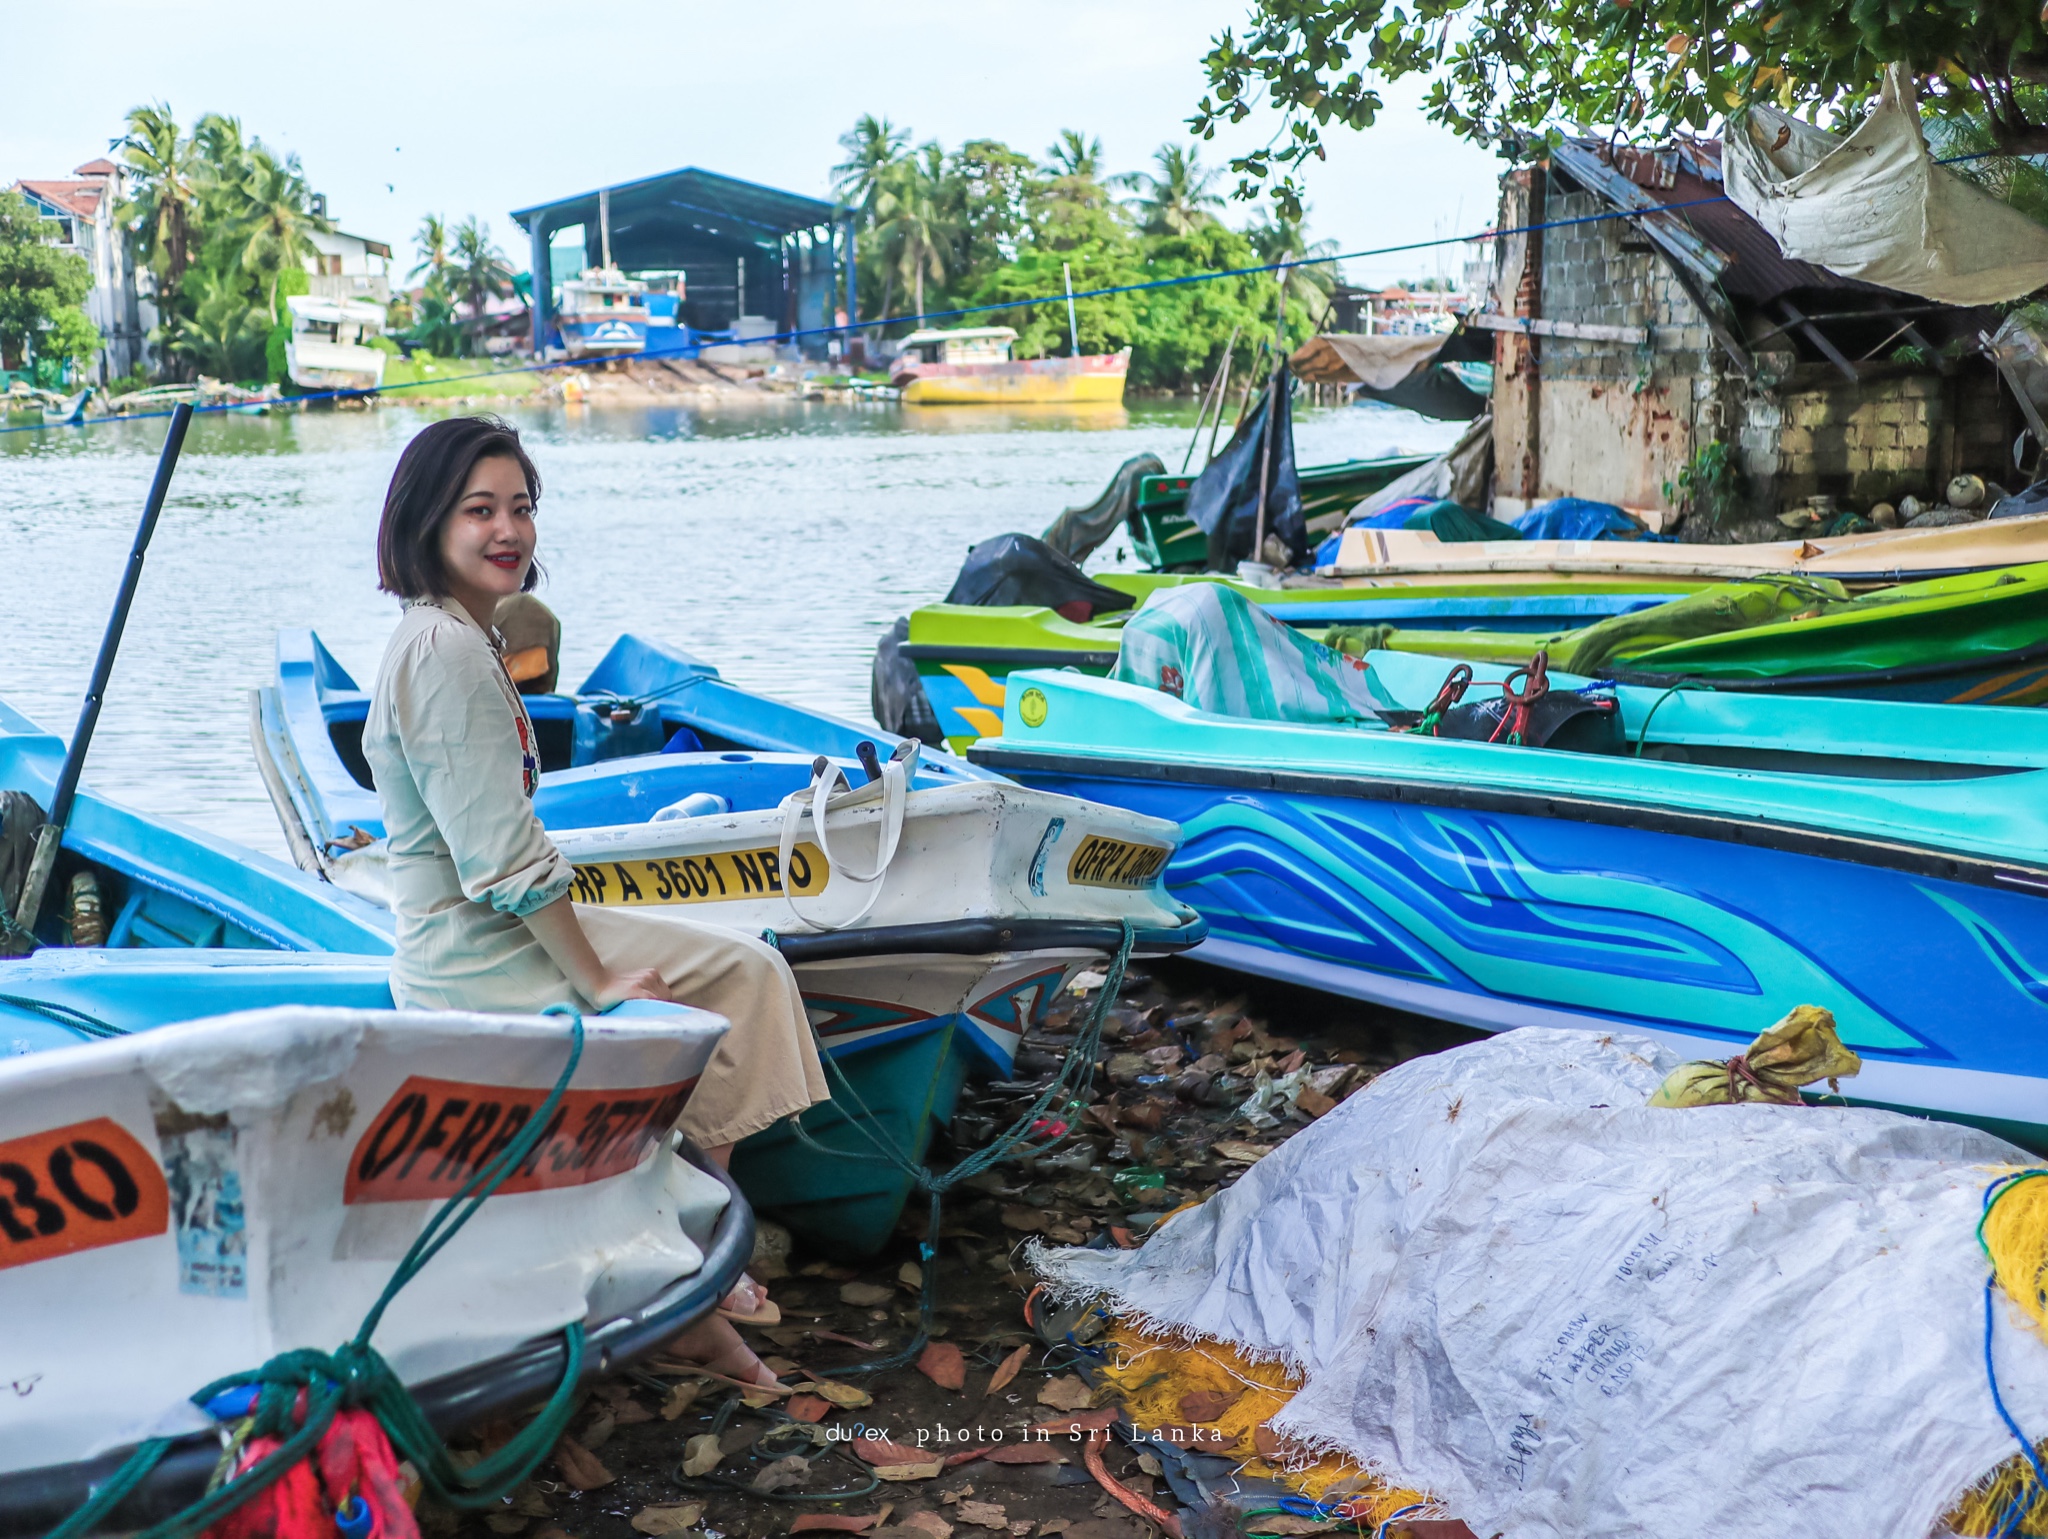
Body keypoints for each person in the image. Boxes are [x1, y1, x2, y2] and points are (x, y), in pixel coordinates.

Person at [362, 415, 827, 1386]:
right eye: (479, 509)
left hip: (485, 928)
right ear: (425, 522)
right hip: (471, 955)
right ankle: (685, 1285)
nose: (508, 530)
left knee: (744, 972)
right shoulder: (444, 651)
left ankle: (690, 1247)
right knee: (676, 1011)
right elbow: (503, 864)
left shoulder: (461, 633)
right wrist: (603, 978)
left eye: (521, 509)